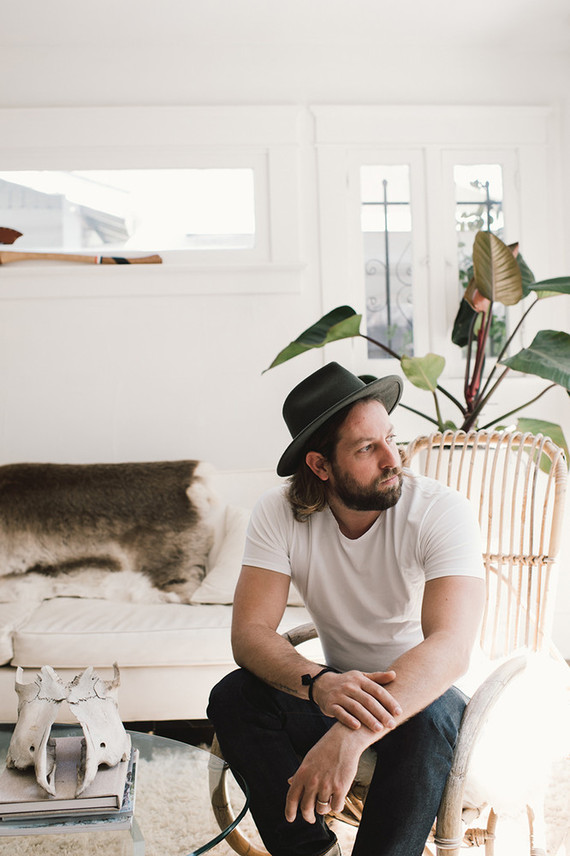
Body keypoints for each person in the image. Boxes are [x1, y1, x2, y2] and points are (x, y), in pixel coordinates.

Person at [208, 361, 485, 856]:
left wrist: (350, 735)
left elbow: (451, 646)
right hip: (337, 686)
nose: (393, 458)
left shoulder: (440, 510)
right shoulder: (279, 512)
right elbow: (249, 633)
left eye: (391, 438)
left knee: (425, 720)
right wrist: (318, 685)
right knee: (233, 696)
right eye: (366, 448)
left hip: (429, 696)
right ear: (320, 466)